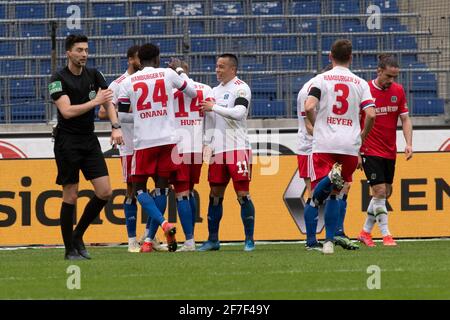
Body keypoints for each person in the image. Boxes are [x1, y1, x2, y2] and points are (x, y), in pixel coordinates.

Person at [49, 34, 123, 260]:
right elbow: (67, 112)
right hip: (67, 142)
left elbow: (108, 100)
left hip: (88, 140)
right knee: (70, 195)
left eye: (86, 50)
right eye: (79, 50)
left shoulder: (95, 74)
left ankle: (77, 235)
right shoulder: (58, 79)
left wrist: (115, 126)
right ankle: (69, 250)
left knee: (105, 192)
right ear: (68, 53)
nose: (84, 54)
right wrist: (94, 102)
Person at [117, 43, 197, 252]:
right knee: (162, 188)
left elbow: (122, 115)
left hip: (144, 142)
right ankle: (150, 239)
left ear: (138, 61)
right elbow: (192, 92)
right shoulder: (168, 74)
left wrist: (143, 115)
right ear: (158, 58)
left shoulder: (129, 82)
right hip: (169, 141)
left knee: (138, 189)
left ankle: (162, 225)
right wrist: (179, 71)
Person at [304, 39, 376, 254]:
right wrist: (362, 136)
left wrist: (319, 126)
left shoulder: (320, 79)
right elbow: (371, 113)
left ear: (330, 57)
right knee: (337, 194)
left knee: (316, 198)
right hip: (348, 144)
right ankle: (328, 242)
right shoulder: (360, 83)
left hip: (325, 143)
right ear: (351, 57)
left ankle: (311, 242)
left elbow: (309, 106)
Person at [198, 53, 256, 252]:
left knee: (242, 195)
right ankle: (213, 240)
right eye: (216, 66)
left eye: (221, 67)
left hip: (238, 148)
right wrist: (207, 144)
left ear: (233, 69)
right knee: (214, 195)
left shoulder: (241, 87)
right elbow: (210, 121)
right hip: (218, 150)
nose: (217, 70)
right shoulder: (213, 91)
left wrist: (214, 107)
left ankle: (249, 239)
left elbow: (239, 113)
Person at [357, 54, 413, 247]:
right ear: (379, 71)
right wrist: (356, 150)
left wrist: (408, 143)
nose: (391, 81)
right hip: (369, 148)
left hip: (390, 150)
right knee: (379, 190)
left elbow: (405, 119)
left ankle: (365, 232)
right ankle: (386, 235)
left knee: (385, 192)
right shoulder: (365, 89)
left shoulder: (398, 91)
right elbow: (356, 121)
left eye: (394, 77)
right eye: (388, 76)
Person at [169, 61, 214, 252]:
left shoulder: (169, 91)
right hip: (196, 145)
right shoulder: (206, 88)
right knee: (189, 190)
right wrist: (208, 142)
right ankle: (191, 236)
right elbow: (212, 118)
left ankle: (189, 240)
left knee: (181, 194)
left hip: (177, 146)